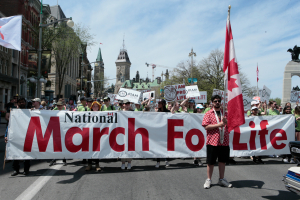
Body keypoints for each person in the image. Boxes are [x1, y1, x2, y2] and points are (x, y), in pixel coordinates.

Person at [202, 95, 232, 189]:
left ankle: (222, 179)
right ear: (212, 102)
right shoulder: (208, 113)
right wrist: (219, 124)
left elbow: (230, 125)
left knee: (222, 161)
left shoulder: (225, 113)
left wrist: (226, 122)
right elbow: (206, 126)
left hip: (224, 141)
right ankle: (209, 180)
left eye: (219, 101)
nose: (217, 102)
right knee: (210, 162)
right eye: (215, 101)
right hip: (212, 141)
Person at [5, 98, 31, 176]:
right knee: (15, 153)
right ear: (17, 103)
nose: (21, 103)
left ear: (25, 103)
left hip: (27, 136)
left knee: (27, 154)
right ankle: (16, 170)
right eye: (20, 102)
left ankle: (26, 170)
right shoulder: (14, 113)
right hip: (16, 136)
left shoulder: (30, 112)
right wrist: (6, 135)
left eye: (22, 102)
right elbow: (10, 125)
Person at [85, 101, 102, 172]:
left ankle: (97, 164)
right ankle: (89, 164)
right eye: (94, 106)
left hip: (97, 134)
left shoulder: (102, 114)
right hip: (89, 134)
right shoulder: (87, 114)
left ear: (99, 108)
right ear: (92, 107)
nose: (95, 107)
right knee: (89, 149)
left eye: (96, 106)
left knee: (97, 149)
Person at [49, 101, 67, 166]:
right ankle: (53, 159)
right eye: (58, 106)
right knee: (54, 146)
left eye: (60, 106)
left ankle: (64, 160)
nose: (59, 107)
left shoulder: (65, 112)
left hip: (63, 131)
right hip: (55, 130)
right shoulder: (53, 111)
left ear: (62, 106)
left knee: (62, 145)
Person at [155, 99, 171, 168]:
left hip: (165, 131)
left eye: (160, 103)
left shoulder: (168, 112)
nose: (158, 104)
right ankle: (158, 161)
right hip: (158, 131)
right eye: (158, 103)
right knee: (158, 147)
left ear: (163, 104)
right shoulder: (157, 111)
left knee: (165, 147)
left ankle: (166, 160)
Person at [121, 99, 133, 170]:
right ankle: (123, 163)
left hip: (130, 132)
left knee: (130, 148)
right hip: (122, 132)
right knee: (122, 148)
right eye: (125, 104)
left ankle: (129, 162)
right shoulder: (120, 112)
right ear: (123, 105)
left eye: (128, 104)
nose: (127, 105)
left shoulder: (132, 112)